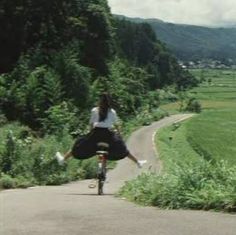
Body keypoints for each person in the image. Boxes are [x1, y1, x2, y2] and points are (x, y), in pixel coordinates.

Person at [55, 92, 146, 168]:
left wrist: (90, 134)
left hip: (96, 134)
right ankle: (137, 162)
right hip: (108, 135)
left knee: (78, 145)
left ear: (100, 101)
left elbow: (91, 124)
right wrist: (119, 135)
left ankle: (63, 159)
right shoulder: (112, 111)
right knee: (123, 149)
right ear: (109, 102)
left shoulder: (95, 110)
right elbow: (117, 126)